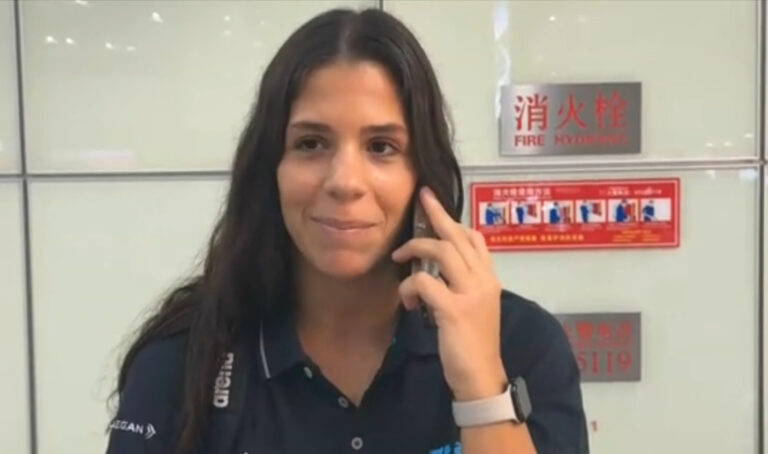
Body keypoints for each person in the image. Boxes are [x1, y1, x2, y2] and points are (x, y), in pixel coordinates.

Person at [106, 8, 588, 454]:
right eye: (311, 143)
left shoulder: (522, 344)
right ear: (269, 168)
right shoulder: (182, 358)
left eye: (381, 147)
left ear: (424, 174)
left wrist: (481, 388)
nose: (344, 181)